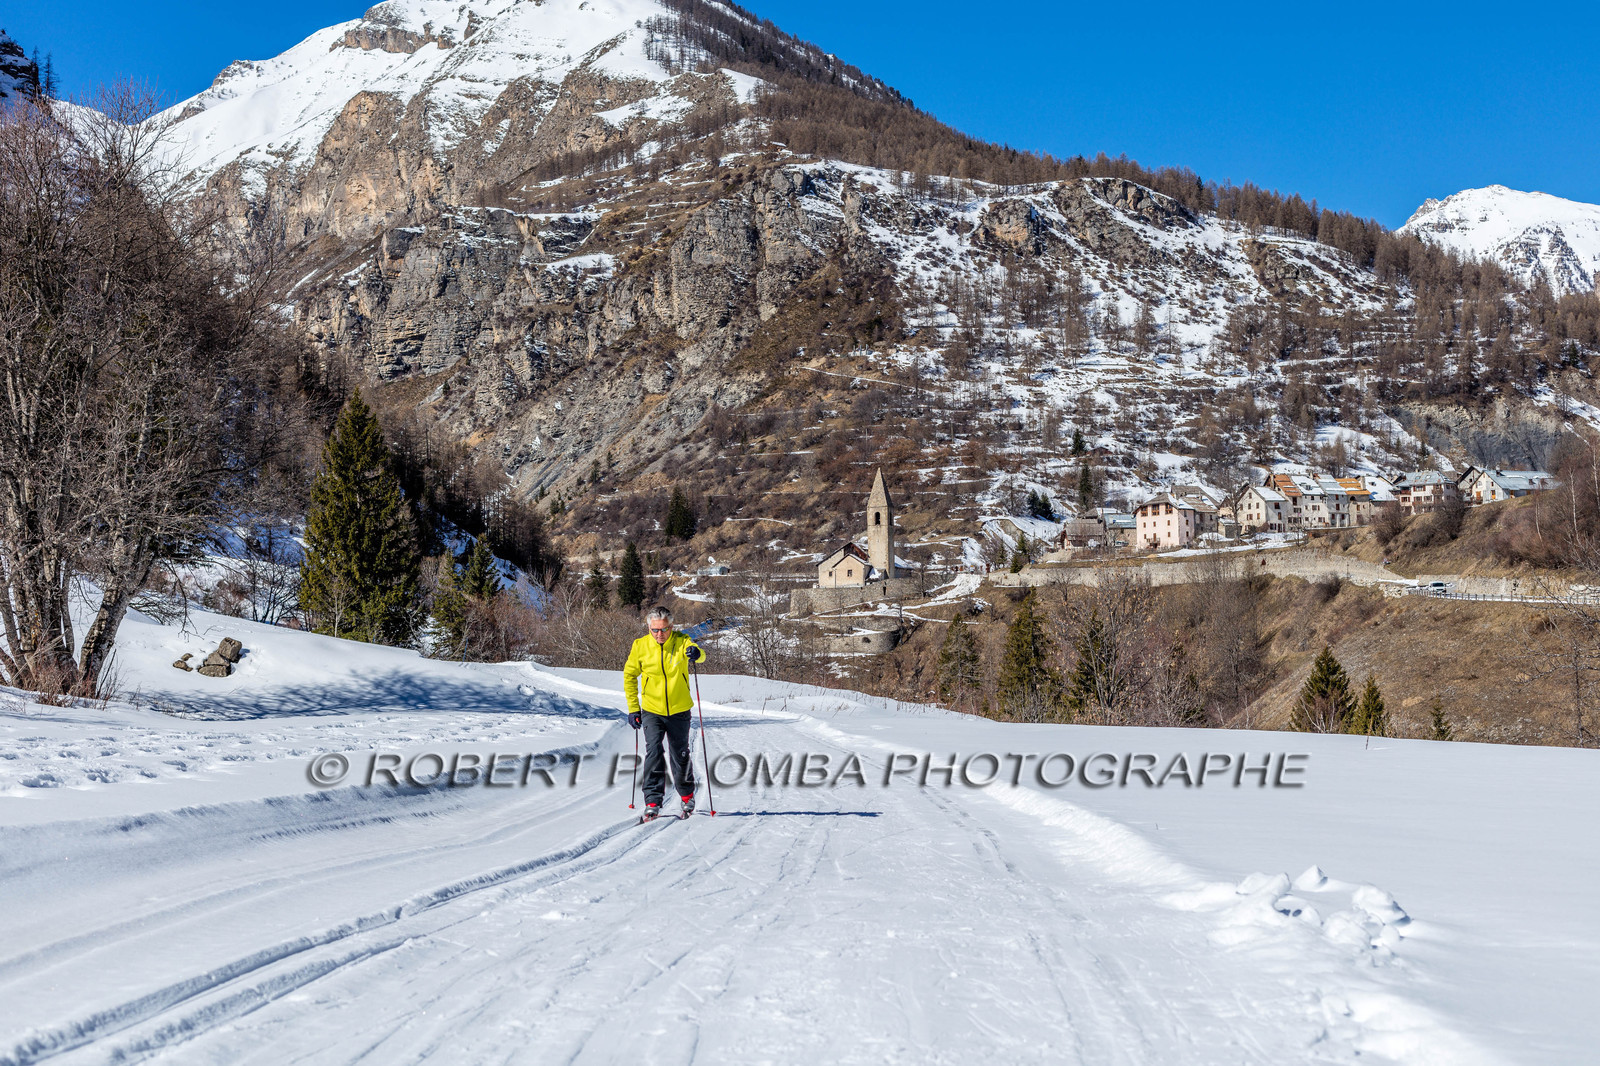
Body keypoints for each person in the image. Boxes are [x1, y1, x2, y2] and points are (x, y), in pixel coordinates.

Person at [622, 606, 705, 818]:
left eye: (664, 629)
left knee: (680, 753)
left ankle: (687, 795)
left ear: (672, 627)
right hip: (652, 709)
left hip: (679, 709)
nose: (660, 634)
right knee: (653, 752)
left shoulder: (682, 641)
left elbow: (699, 654)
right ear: (649, 628)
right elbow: (630, 676)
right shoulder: (640, 646)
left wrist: (697, 653)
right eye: (655, 630)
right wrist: (633, 708)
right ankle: (652, 799)